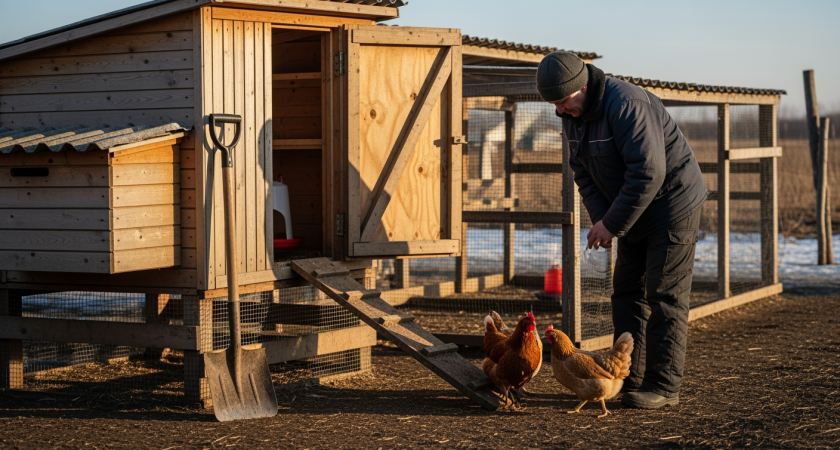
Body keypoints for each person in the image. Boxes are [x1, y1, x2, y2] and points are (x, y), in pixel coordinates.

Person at [536, 51, 707, 409]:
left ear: (582, 86)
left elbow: (648, 172)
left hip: (671, 205)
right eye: (553, 104)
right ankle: (630, 377)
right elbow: (582, 173)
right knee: (627, 292)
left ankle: (663, 386)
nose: (559, 111)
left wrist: (612, 223)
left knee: (664, 297)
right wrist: (603, 221)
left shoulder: (627, 104)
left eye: (563, 102)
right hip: (632, 210)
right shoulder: (573, 115)